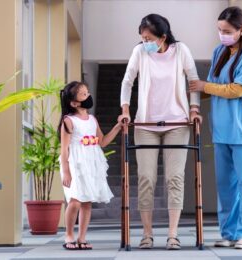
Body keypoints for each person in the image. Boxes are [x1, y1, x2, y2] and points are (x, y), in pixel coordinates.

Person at [117, 13, 202, 250]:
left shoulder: (181, 50)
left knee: (175, 178)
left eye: (148, 38)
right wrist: (125, 109)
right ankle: (147, 234)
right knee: (146, 179)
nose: (144, 42)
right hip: (145, 124)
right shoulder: (140, 52)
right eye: (142, 38)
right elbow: (127, 81)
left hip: (178, 124)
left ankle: (173, 235)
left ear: (163, 37)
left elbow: (193, 81)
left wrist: (194, 109)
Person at [189, 6, 242, 250]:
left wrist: (202, 86)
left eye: (227, 30)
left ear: (241, 29)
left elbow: (236, 89)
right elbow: (213, 87)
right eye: (219, 30)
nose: (222, 34)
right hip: (222, 130)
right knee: (226, 186)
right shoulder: (219, 51)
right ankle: (229, 232)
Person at [59, 81, 121, 250]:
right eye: (84, 94)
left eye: (88, 93)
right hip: (75, 162)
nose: (89, 96)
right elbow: (64, 149)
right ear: (74, 103)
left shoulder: (92, 119)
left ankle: (82, 237)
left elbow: (102, 142)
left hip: (92, 161)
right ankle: (69, 235)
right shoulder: (69, 121)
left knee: (87, 202)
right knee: (75, 200)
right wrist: (66, 171)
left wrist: (117, 127)